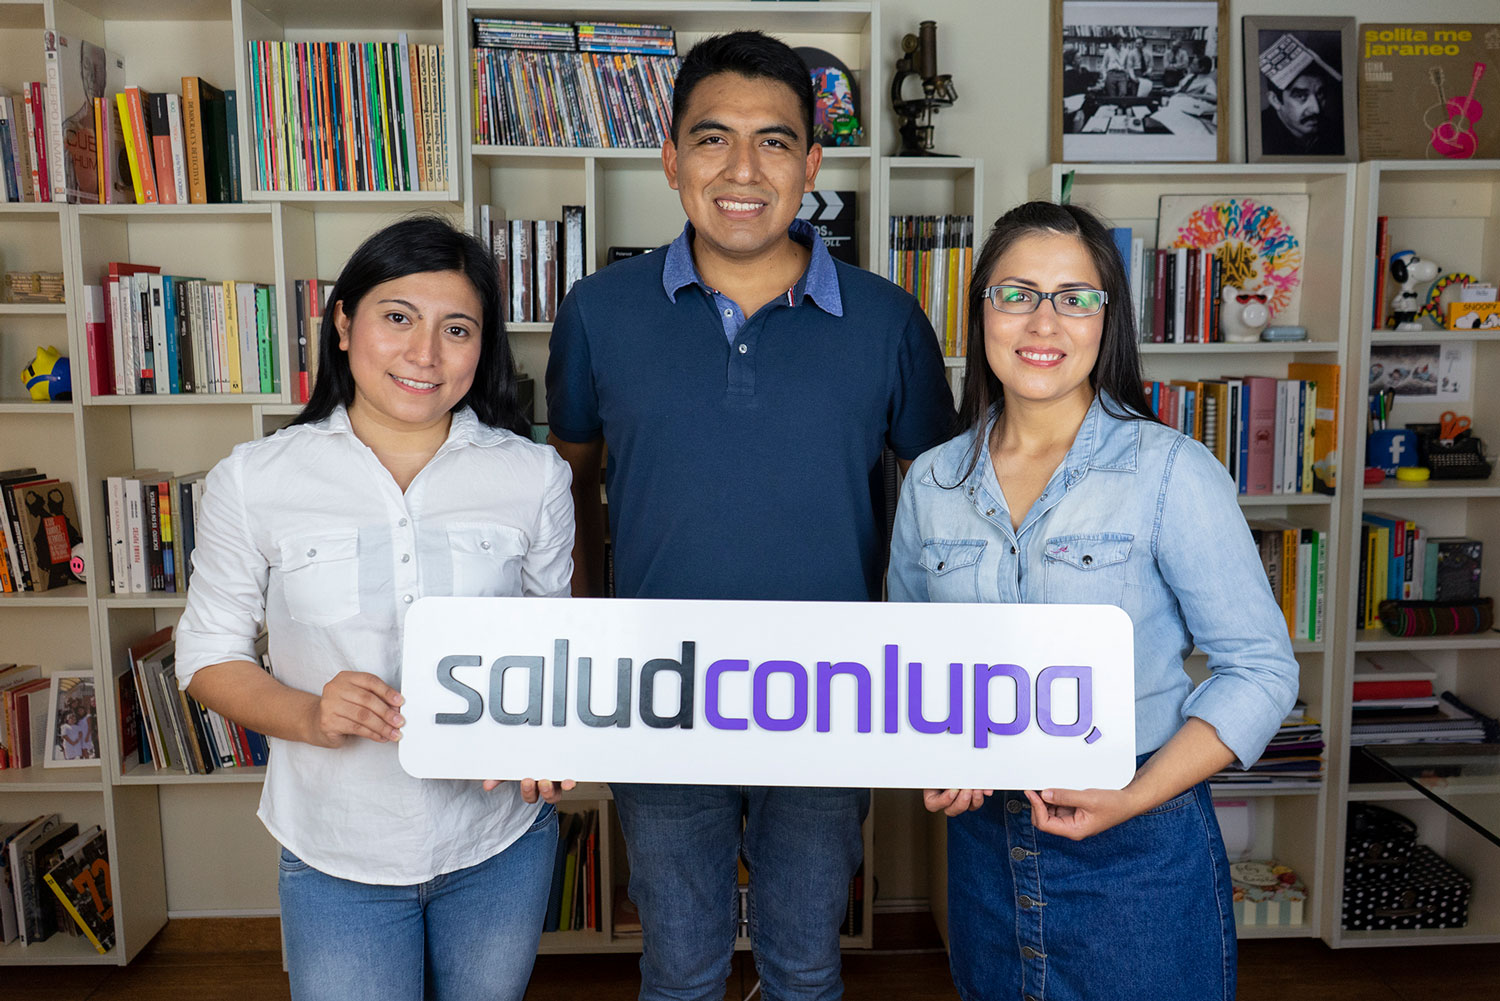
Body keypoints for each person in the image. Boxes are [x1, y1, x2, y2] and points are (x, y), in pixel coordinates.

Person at [545, 29, 955, 1001]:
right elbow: (566, 494)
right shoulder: (597, 311)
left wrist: (924, 670)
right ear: (671, 158)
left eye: (774, 141)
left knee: (805, 966)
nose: (742, 169)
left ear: (811, 166)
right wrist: (587, 647)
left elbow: (943, 515)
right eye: (713, 138)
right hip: (657, 694)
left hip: (831, 696)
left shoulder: (889, 319)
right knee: (678, 967)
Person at [886, 201, 1299, 1001]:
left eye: (1074, 297)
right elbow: (911, 665)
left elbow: (1261, 669)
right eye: (1017, 294)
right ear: (981, 311)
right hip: (985, 849)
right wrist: (933, 750)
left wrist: (1133, 795)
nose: (1043, 322)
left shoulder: (1171, 470)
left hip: (1141, 847)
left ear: (1107, 320)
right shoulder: (932, 481)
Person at [175, 217, 575, 1001]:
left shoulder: (534, 477)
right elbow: (208, 655)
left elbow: (552, 647)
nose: (425, 353)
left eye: (456, 328)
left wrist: (550, 736)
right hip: (336, 848)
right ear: (343, 323)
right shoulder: (255, 479)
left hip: (497, 841)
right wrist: (308, 712)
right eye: (398, 317)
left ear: (482, 345)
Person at [1261, 63, 1342, 156]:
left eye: (1320, 94)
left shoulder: (1336, 133)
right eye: (1301, 96)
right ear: (1275, 100)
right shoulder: (1256, 138)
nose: (1316, 110)